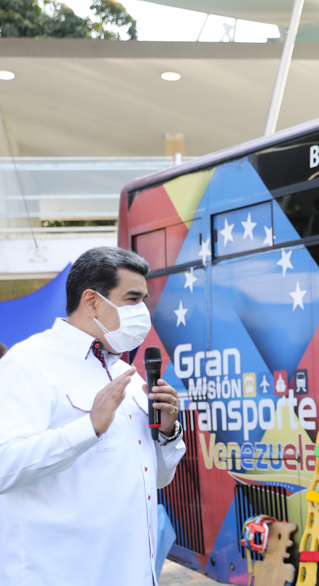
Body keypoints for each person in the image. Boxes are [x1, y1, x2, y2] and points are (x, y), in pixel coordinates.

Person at [0, 246, 185, 586]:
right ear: (91, 301)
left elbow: (154, 479)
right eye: (132, 299)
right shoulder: (27, 364)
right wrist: (88, 428)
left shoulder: (128, 374)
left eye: (144, 300)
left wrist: (169, 431)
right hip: (60, 574)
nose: (142, 311)